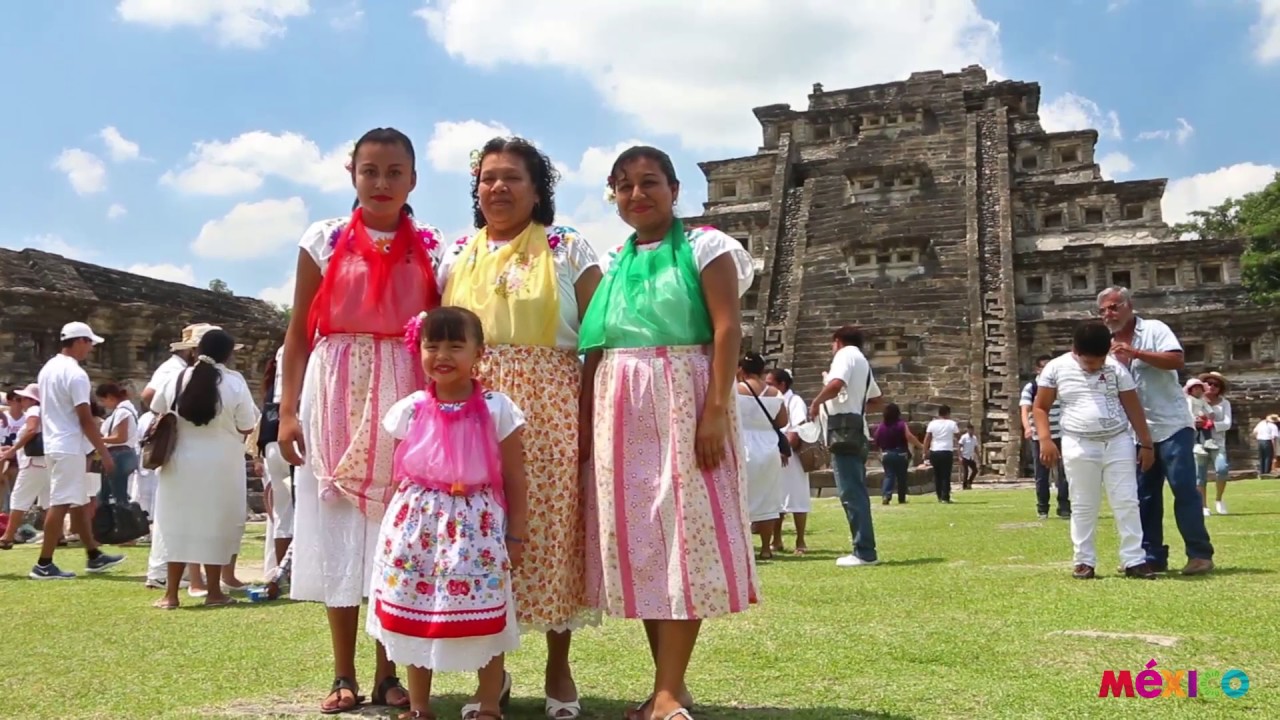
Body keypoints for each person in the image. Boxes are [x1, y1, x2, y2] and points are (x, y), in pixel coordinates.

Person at [581, 145, 757, 720]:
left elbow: (728, 329)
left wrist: (713, 411)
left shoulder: (708, 247)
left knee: (686, 531)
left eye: (649, 182)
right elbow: (597, 344)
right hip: (622, 397)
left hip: (685, 388)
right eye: (624, 186)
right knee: (644, 541)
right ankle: (668, 688)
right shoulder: (614, 261)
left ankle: (668, 689)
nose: (637, 195)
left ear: (674, 189)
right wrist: (586, 419)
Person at [278, 127, 445, 713]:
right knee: (337, 527)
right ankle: (342, 672)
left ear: (412, 180)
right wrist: (288, 412)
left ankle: (387, 673)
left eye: (394, 172)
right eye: (370, 171)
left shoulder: (431, 245)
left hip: (405, 390)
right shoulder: (322, 240)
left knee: (395, 532)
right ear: (352, 174)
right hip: (334, 386)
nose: (381, 182)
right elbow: (299, 331)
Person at [439, 136, 601, 719]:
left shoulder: (567, 246)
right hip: (472, 406)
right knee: (480, 535)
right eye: (487, 178)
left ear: (538, 191)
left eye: (512, 178)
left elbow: (598, 335)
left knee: (550, 532)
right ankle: (493, 674)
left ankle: (559, 665)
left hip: (551, 399)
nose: (498, 188)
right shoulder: (455, 252)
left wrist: (587, 407)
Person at [367, 308, 529, 720]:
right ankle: (420, 706)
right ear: (418, 350)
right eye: (432, 345)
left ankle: (489, 704)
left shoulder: (498, 408)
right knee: (414, 610)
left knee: (485, 611)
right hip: (417, 520)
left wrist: (517, 535)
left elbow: (514, 476)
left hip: (477, 523)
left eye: (456, 346)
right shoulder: (411, 408)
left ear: (479, 352)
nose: (442, 355)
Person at [1098, 286, 1213, 576]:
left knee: (1183, 489)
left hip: (1172, 425)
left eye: (1113, 307)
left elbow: (1176, 360)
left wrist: (1134, 353)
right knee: (1144, 495)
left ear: (1129, 305)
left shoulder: (1154, 329)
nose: (1108, 314)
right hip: (1136, 432)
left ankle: (1199, 554)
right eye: (1102, 311)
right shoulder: (1104, 343)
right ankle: (1151, 556)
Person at [1033, 321, 1157, 580]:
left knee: (1126, 501)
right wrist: (1045, 439)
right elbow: (1041, 406)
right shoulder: (1055, 368)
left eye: (1099, 360)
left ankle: (1134, 559)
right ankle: (1084, 561)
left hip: (1118, 441)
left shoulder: (1116, 368)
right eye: (1089, 362)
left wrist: (1146, 443)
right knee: (1083, 503)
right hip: (1078, 443)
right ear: (1074, 350)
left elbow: (1133, 407)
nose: (1094, 366)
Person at [150, 329, 258, 609]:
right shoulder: (234, 382)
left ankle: (171, 594)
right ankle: (214, 591)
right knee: (216, 522)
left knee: (177, 523)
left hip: (179, 460)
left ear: (196, 350)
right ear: (229, 354)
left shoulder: (176, 378)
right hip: (221, 461)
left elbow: (156, 406)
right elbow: (247, 424)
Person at [31, 322, 124, 579]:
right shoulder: (76, 374)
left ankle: (93, 554)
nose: (91, 348)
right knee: (61, 502)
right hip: (68, 444)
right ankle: (44, 563)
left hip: (56, 442)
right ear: (80, 341)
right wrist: (103, 452)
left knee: (79, 500)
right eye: (90, 343)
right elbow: (85, 418)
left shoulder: (48, 369)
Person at [809, 325, 883, 567]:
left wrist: (816, 402)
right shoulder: (862, 361)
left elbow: (836, 384)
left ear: (838, 341)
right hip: (857, 429)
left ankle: (864, 551)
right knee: (856, 490)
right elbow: (876, 400)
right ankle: (864, 548)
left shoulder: (845, 355)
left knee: (850, 492)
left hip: (843, 433)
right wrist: (852, 406)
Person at [736, 352, 787, 559]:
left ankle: (742, 546)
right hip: (768, 447)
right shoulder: (775, 393)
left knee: (739, 496)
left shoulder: (735, 390)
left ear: (741, 369)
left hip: (742, 443)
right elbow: (783, 421)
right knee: (767, 498)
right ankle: (766, 548)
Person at [1020, 355, 1071, 519]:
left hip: (1061, 434)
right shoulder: (1032, 387)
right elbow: (1025, 409)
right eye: (1044, 367)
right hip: (1039, 436)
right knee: (1042, 474)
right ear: (1037, 369)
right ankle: (1042, 508)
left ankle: (1064, 506)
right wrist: (1027, 427)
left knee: (1065, 472)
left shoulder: (1060, 385)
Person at [765, 368, 809, 554]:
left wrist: (786, 451)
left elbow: (796, 429)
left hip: (792, 457)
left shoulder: (795, 401)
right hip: (775, 453)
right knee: (777, 499)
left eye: (771, 384)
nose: (767, 387)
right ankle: (777, 539)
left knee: (796, 498)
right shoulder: (771, 401)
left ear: (782, 384)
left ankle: (800, 541)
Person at [0, 385, 46, 549]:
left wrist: (13, 449)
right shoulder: (46, 412)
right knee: (48, 501)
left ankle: (8, 536)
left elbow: (31, 430)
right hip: (46, 462)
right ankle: (58, 535)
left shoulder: (34, 411)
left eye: (23, 399)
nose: (21, 402)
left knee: (19, 499)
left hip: (32, 462)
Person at [93, 383, 140, 509]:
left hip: (119, 455)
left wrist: (99, 440)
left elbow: (121, 437)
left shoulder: (122, 412)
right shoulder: (125, 411)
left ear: (110, 397)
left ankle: (122, 522)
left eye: (103, 400)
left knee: (117, 494)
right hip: (124, 454)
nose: (104, 404)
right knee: (109, 492)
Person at [872, 403, 924, 505]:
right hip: (901, 453)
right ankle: (901, 497)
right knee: (902, 477)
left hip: (887, 453)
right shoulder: (901, 424)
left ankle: (886, 495)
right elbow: (909, 436)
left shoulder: (881, 426)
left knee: (889, 475)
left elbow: (876, 438)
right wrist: (921, 446)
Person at [1199, 372, 1233, 515]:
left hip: (1218, 442)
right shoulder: (1195, 401)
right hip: (1199, 442)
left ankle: (1219, 499)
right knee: (1200, 475)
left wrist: (1211, 424)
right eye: (1209, 383)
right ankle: (1203, 505)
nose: (1212, 387)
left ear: (1220, 388)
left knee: (1222, 469)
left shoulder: (1224, 403)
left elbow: (1227, 423)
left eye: (1216, 385)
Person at [923, 406, 959, 503]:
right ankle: (945, 497)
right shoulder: (952, 424)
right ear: (948, 413)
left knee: (937, 474)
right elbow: (957, 437)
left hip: (935, 450)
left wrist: (925, 451)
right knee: (945, 475)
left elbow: (927, 438)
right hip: (946, 451)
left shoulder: (932, 423)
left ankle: (939, 496)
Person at [958, 423, 980, 490]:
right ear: (968, 430)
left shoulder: (974, 438)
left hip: (971, 456)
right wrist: (960, 456)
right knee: (966, 471)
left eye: (972, 430)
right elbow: (959, 446)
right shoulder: (964, 437)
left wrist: (978, 455)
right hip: (965, 456)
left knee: (975, 470)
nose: (971, 431)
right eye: (970, 430)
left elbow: (975, 447)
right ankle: (965, 486)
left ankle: (969, 482)